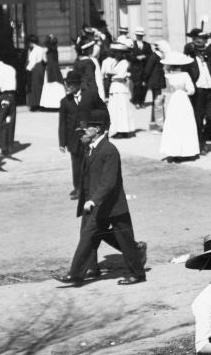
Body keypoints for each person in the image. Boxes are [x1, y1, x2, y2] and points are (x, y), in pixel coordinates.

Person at [56, 109, 147, 287]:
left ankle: (137, 273)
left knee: (124, 240)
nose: (83, 131)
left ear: (97, 129)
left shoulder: (110, 150)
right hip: (98, 205)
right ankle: (76, 274)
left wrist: (93, 200)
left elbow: (109, 181)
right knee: (88, 236)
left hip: (113, 205)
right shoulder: (92, 148)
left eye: (87, 128)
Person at [59, 70, 106, 198]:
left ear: (78, 84)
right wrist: (62, 142)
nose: (68, 87)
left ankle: (91, 188)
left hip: (90, 137)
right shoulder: (65, 101)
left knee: (91, 162)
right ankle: (78, 188)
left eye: (71, 84)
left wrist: (102, 129)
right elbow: (62, 123)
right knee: (76, 164)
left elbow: (102, 112)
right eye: (67, 84)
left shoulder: (90, 96)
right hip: (73, 139)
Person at [160, 53, 200, 161]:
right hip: (183, 99)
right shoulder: (185, 75)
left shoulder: (167, 76)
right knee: (185, 123)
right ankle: (186, 151)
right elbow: (191, 90)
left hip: (173, 99)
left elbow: (166, 89)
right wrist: (185, 92)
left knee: (173, 124)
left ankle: (174, 151)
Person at [105, 41, 138, 137]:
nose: (116, 54)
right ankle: (118, 129)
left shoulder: (124, 62)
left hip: (121, 87)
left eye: (118, 52)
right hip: (114, 87)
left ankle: (124, 131)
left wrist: (111, 74)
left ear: (123, 53)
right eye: (115, 52)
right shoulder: (115, 62)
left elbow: (122, 75)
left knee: (122, 109)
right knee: (115, 109)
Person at [0, 53, 18, 156]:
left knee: (0, 122)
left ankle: (3, 147)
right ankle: (10, 145)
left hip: (3, 97)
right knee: (10, 121)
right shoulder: (11, 68)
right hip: (12, 97)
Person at [39, 36, 66, 111]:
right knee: (55, 85)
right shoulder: (53, 50)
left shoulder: (51, 50)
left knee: (53, 85)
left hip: (51, 68)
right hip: (52, 68)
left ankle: (52, 105)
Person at [24, 35, 45, 111]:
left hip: (35, 69)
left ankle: (35, 104)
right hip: (41, 68)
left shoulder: (34, 51)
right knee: (40, 86)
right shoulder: (41, 49)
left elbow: (32, 61)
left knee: (34, 87)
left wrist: (27, 69)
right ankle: (40, 104)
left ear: (31, 42)